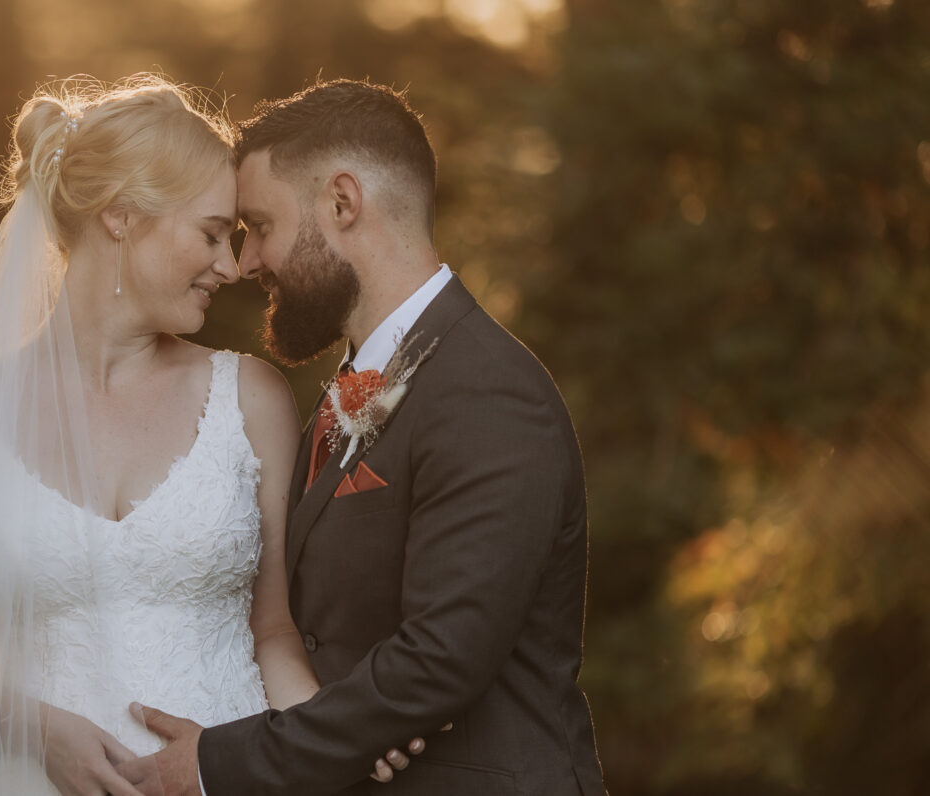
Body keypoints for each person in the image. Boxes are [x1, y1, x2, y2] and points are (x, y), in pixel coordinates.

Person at [0, 75, 421, 796]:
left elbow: (277, 634)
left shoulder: (248, 399)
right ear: (121, 216)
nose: (231, 266)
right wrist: (35, 730)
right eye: (211, 234)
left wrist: (341, 732)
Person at [121, 79, 607, 795]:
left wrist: (211, 764)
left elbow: (440, 661)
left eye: (259, 225)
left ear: (342, 204)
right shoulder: (358, 390)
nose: (246, 262)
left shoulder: (487, 392)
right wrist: (357, 731)